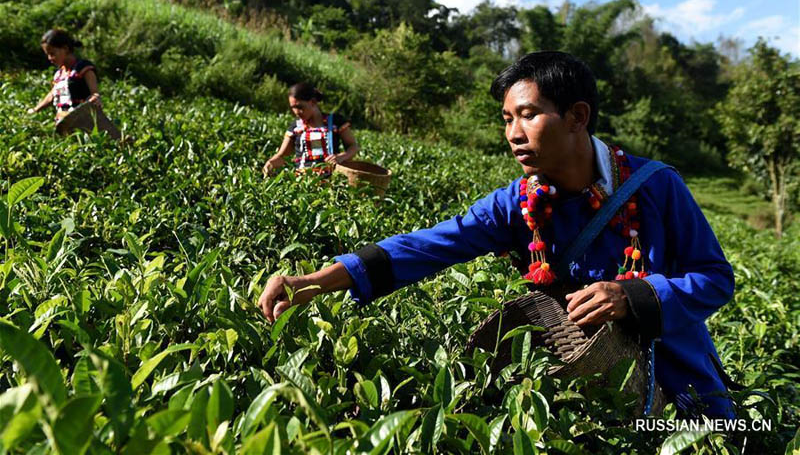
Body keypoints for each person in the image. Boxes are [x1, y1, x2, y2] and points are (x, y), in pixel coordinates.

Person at [257, 52, 736, 418]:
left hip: (681, 382)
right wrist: (314, 282)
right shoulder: (518, 202)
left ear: (577, 116)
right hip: (587, 388)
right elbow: (428, 245)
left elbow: (715, 278)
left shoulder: (655, 186)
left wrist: (634, 294)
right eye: (507, 119)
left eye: (528, 115)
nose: (513, 132)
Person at [263, 83, 359, 177]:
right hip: (302, 181)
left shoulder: (335, 121)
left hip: (331, 180)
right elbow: (282, 155)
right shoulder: (295, 127)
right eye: (293, 108)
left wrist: (341, 157)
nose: (297, 112)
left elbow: (353, 146)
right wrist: (270, 163)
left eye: (300, 107)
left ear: (313, 102)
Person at [28, 29, 103, 124]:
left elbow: (95, 93)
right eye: (48, 55)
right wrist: (35, 110)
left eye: (52, 54)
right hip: (63, 123)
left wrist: (94, 99)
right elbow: (52, 95)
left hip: (84, 121)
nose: (50, 58)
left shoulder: (83, 68)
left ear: (65, 49)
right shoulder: (59, 75)